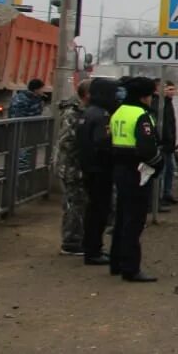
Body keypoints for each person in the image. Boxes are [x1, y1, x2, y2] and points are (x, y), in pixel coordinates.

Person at [109, 77, 164, 282]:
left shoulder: (119, 111)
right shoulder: (141, 115)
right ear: (144, 96)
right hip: (138, 172)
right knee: (134, 221)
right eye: (151, 95)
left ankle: (116, 262)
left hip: (120, 168)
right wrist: (159, 164)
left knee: (122, 217)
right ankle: (131, 268)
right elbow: (147, 148)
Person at [77, 78, 118, 265]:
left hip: (89, 168)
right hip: (100, 170)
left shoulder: (88, 112)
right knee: (99, 211)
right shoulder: (102, 115)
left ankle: (92, 248)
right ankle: (94, 250)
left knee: (93, 210)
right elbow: (103, 144)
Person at [56, 80, 91, 256]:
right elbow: (67, 142)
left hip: (75, 166)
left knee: (80, 203)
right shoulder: (72, 113)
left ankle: (76, 238)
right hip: (71, 166)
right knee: (74, 204)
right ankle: (71, 242)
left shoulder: (80, 111)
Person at [9, 78, 46, 172]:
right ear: (36, 89)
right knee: (23, 152)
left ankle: (24, 172)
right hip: (23, 130)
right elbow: (17, 115)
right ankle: (20, 173)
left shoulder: (32, 97)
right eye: (42, 88)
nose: (43, 91)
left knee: (27, 151)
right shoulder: (25, 99)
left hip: (28, 130)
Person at [157, 80, 178, 207]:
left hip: (169, 145)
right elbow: (164, 126)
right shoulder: (161, 104)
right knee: (163, 171)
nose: (172, 92)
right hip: (164, 145)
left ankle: (167, 193)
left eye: (173, 89)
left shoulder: (168, 104)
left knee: (171, 169)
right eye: (169, 89)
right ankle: (159, 198)